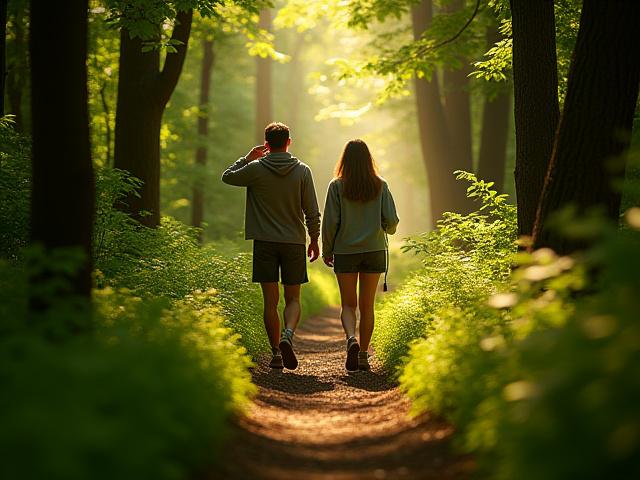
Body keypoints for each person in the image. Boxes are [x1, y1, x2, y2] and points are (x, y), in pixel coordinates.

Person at [222, 122, 321, 370]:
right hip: (294, 242)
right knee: (293, 298)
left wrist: (247, 158)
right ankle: (288, 334)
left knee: (270, 301)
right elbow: (312, 211)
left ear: (266, 144)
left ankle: (276, 352)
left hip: (264, 242)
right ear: (289, 142)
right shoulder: (303, 171)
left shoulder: (255, 169)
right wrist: (315, 240)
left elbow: (227, 177)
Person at [321, 139, 399, 372]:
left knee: (348, 305)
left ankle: (350, 340)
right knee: (367, 307)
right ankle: (364, 355)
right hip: (374, 251)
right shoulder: (381, 185)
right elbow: (392, 222)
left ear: (344, 160)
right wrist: (385, 226)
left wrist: (327, 249)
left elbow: (330, 222)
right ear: (368, 160)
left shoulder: (336, 186)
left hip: (345, 251)